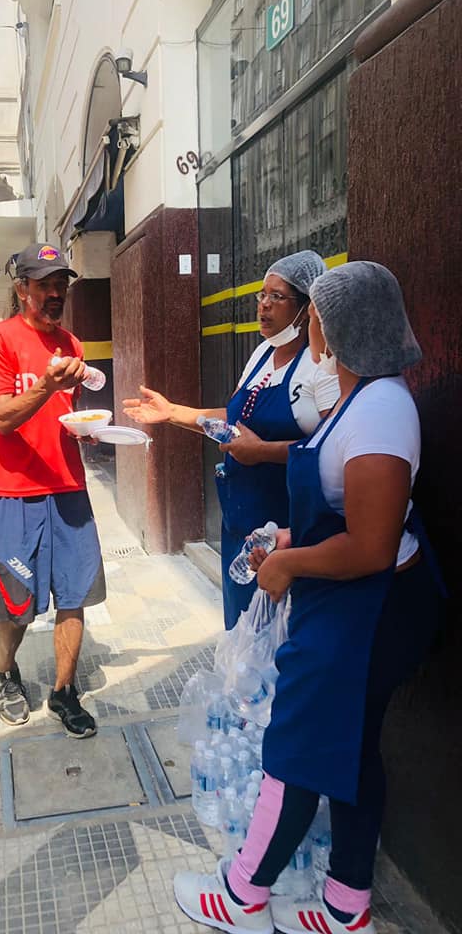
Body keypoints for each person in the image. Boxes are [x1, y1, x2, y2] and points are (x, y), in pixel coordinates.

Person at [173, 262, 444, 934]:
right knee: (349, 749)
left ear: (334, 324)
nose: (307, 325)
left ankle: (242, 897)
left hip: (375, 607)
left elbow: (373, 545)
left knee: (294, 743)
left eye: (312, 312)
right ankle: (347, 906)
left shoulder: (381, 410)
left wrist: (290, 563)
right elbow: (347, 508)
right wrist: (292, 537)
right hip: (351, 598)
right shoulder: (357, 396)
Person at [124, 250, 338, 628]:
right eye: (262, 295)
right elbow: (234, 420)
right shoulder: (261, 354)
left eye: (277, 297)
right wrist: (173, 412)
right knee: (241, 630)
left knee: (278, 634)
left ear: (306, 309)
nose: (263, 305)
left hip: (284, 529)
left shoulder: (319, 366)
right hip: (240, 523)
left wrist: (262, 452)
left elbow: (332, 448)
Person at [0, 242, 106, 737]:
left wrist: (87, 432)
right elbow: (2, 417)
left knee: (74, 595)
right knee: (15, 605)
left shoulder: (72, 344)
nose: (55, 293)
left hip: (68, 488)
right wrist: (46, 386)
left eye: (61, 285)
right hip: (12, 493)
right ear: (21, 289)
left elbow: (66, 414)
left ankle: (63, 691)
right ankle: (5, 670)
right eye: (45, 285)